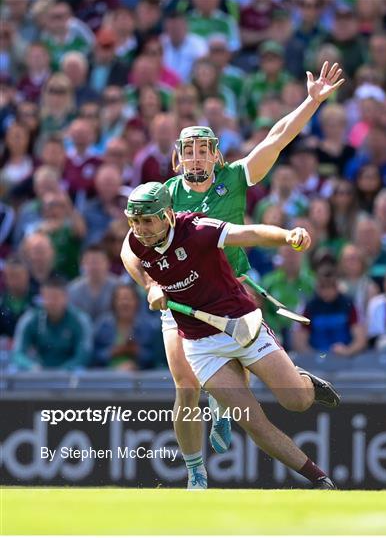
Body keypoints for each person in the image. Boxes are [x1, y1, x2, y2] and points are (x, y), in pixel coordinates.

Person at [130, 61, 345, 489]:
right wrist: (151, 285)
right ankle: (196, 472)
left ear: (215, 155)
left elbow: (278, 137)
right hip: (181, 302)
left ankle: (229, 405)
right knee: (186, 386)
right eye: (187, 151)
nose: (195, 157)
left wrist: (311, 101)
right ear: (177, 159)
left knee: (260, 385)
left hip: (232, 294)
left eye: (203, 149)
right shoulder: (160, 198)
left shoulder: (233, 177)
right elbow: (129, 249)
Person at [121, 181, 339, 491]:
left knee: (297, 401)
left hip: (242, 325)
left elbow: (248, 234)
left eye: (147, 221)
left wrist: (287, 236)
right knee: (253, 422)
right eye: (135, 221)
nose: (141, 229)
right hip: (201, 346)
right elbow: (128, 253)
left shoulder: (197, 229)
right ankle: (319, 478)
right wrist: (148, 285)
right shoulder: (136, 240)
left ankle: (303, 381)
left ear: (167, 214)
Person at [12, 276, 92, 370]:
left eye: (56, 297)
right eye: (47, 297)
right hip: (39, 373)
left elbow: (84, 355)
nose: (51, 302)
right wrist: (31, 366)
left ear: (66, 297)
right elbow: (17, 353)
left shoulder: (80, 320)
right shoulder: (30, 319)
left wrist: (64, 370)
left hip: (71, 375)